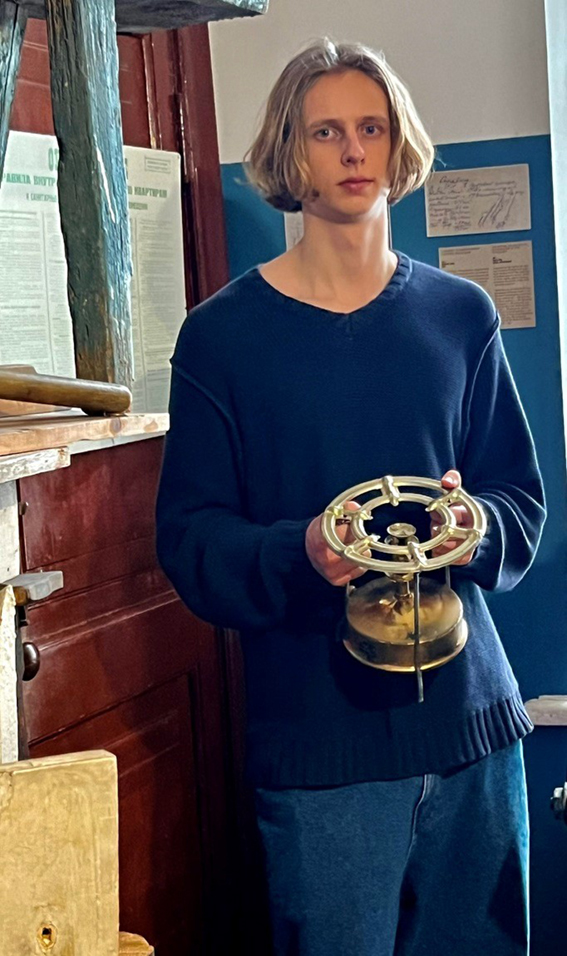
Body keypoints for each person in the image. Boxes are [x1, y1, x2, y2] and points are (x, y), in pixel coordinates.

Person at [156, 38, 545, 956]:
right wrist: (301, 550)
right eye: (325, 131)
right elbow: (191, 539)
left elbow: (520, 503)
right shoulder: (220, 338)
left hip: (474, 735)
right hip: (319, 751)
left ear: (398, 145)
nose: (353, 150)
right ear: (288, 152)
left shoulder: (459, 315)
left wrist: (475, 526)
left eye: (371, 128)